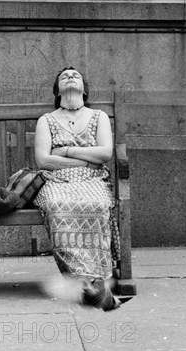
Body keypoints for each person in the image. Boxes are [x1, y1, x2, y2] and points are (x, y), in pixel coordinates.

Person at [34, 66, 124, 311]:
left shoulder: (99, 116)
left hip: (92, 178)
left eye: (76, 76)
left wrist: (65, 151)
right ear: (57, 89)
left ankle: (93, 282)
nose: (70, 77)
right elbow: (43, 160)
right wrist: (86, 157)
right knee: (57, 205)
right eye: (64, 76)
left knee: (98, 204)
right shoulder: (47, 120)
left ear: (84, 89)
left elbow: (105, 153)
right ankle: (85, 282)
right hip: (56, 180)